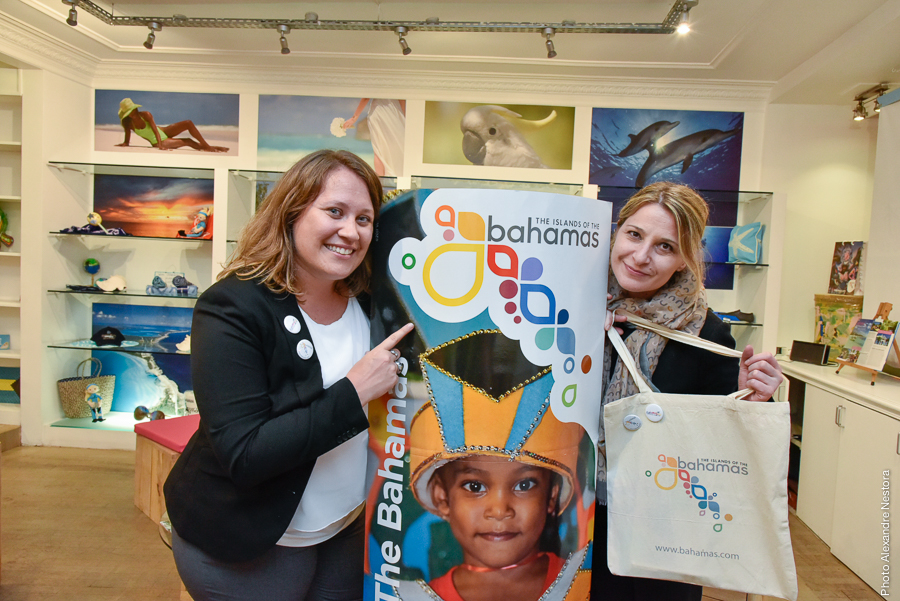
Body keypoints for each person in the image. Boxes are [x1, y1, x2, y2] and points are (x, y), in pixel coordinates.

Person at [163, 149, 415, 601]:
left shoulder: (370, 300)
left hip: (346, 526)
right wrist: (354, 391)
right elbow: (245, 453)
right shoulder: (232, 307)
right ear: (292, 213)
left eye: (364, 218)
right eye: (334, 211)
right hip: (249, 539)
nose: (351, 231)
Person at [593, 181, 783, 601]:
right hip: (575, 517)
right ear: (616, 232)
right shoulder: (569, 305)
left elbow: (723, 450)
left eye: (665, 246)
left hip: (661, 532)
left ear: (684, 260)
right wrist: (578, 336)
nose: (641, 256)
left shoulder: (706, 333)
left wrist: (753, 400)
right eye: (634, 234)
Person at [400, 330, 591, 601]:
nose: (500, 511)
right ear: (442, 498)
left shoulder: (584, 583)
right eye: (474, 486)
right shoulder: (408, 597)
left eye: (524, 485)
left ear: (551, 495)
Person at [115, 98, 229, 153]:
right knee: (188, 141)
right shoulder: (128, 124)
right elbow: (127, 141)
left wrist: (160, 145)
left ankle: (208, 147)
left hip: (162, 132)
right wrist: (159, 145)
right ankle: (212, 147)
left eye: (133, 110)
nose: (132, 113)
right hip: (158, 141)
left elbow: (155, 130)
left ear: (135, 108)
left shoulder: (146, 115)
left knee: (188, 123)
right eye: (129, 112)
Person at [342, 99, 406, 177]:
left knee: (378, 150)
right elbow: (402, 98)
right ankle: (397, 177)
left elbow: (366, 98)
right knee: (397, 146)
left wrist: (354, 118)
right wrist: (403, 115)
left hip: (378, 111)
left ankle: (381, 179)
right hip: (394, 110)